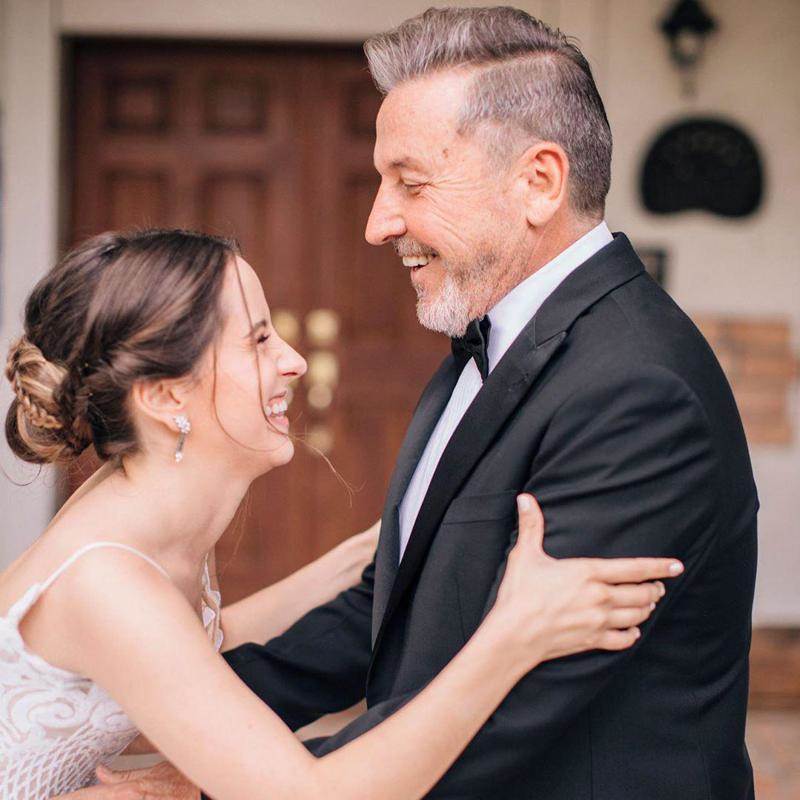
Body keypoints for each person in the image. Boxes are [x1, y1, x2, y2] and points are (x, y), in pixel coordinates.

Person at [114, 7, 758, 799]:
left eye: (410, 183)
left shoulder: (639, 391)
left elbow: (521, 704)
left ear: (538, 182)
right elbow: (396, 610)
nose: (377, 223)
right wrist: (178, 714)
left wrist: (225, 785)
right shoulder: (488, 341)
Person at [0, 228, 677, 799]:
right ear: (165, 396)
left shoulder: (140, 512)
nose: (294, 361)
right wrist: (516, 633)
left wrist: (403, 537)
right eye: (258, 341)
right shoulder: (108, 582)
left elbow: (195, 643)